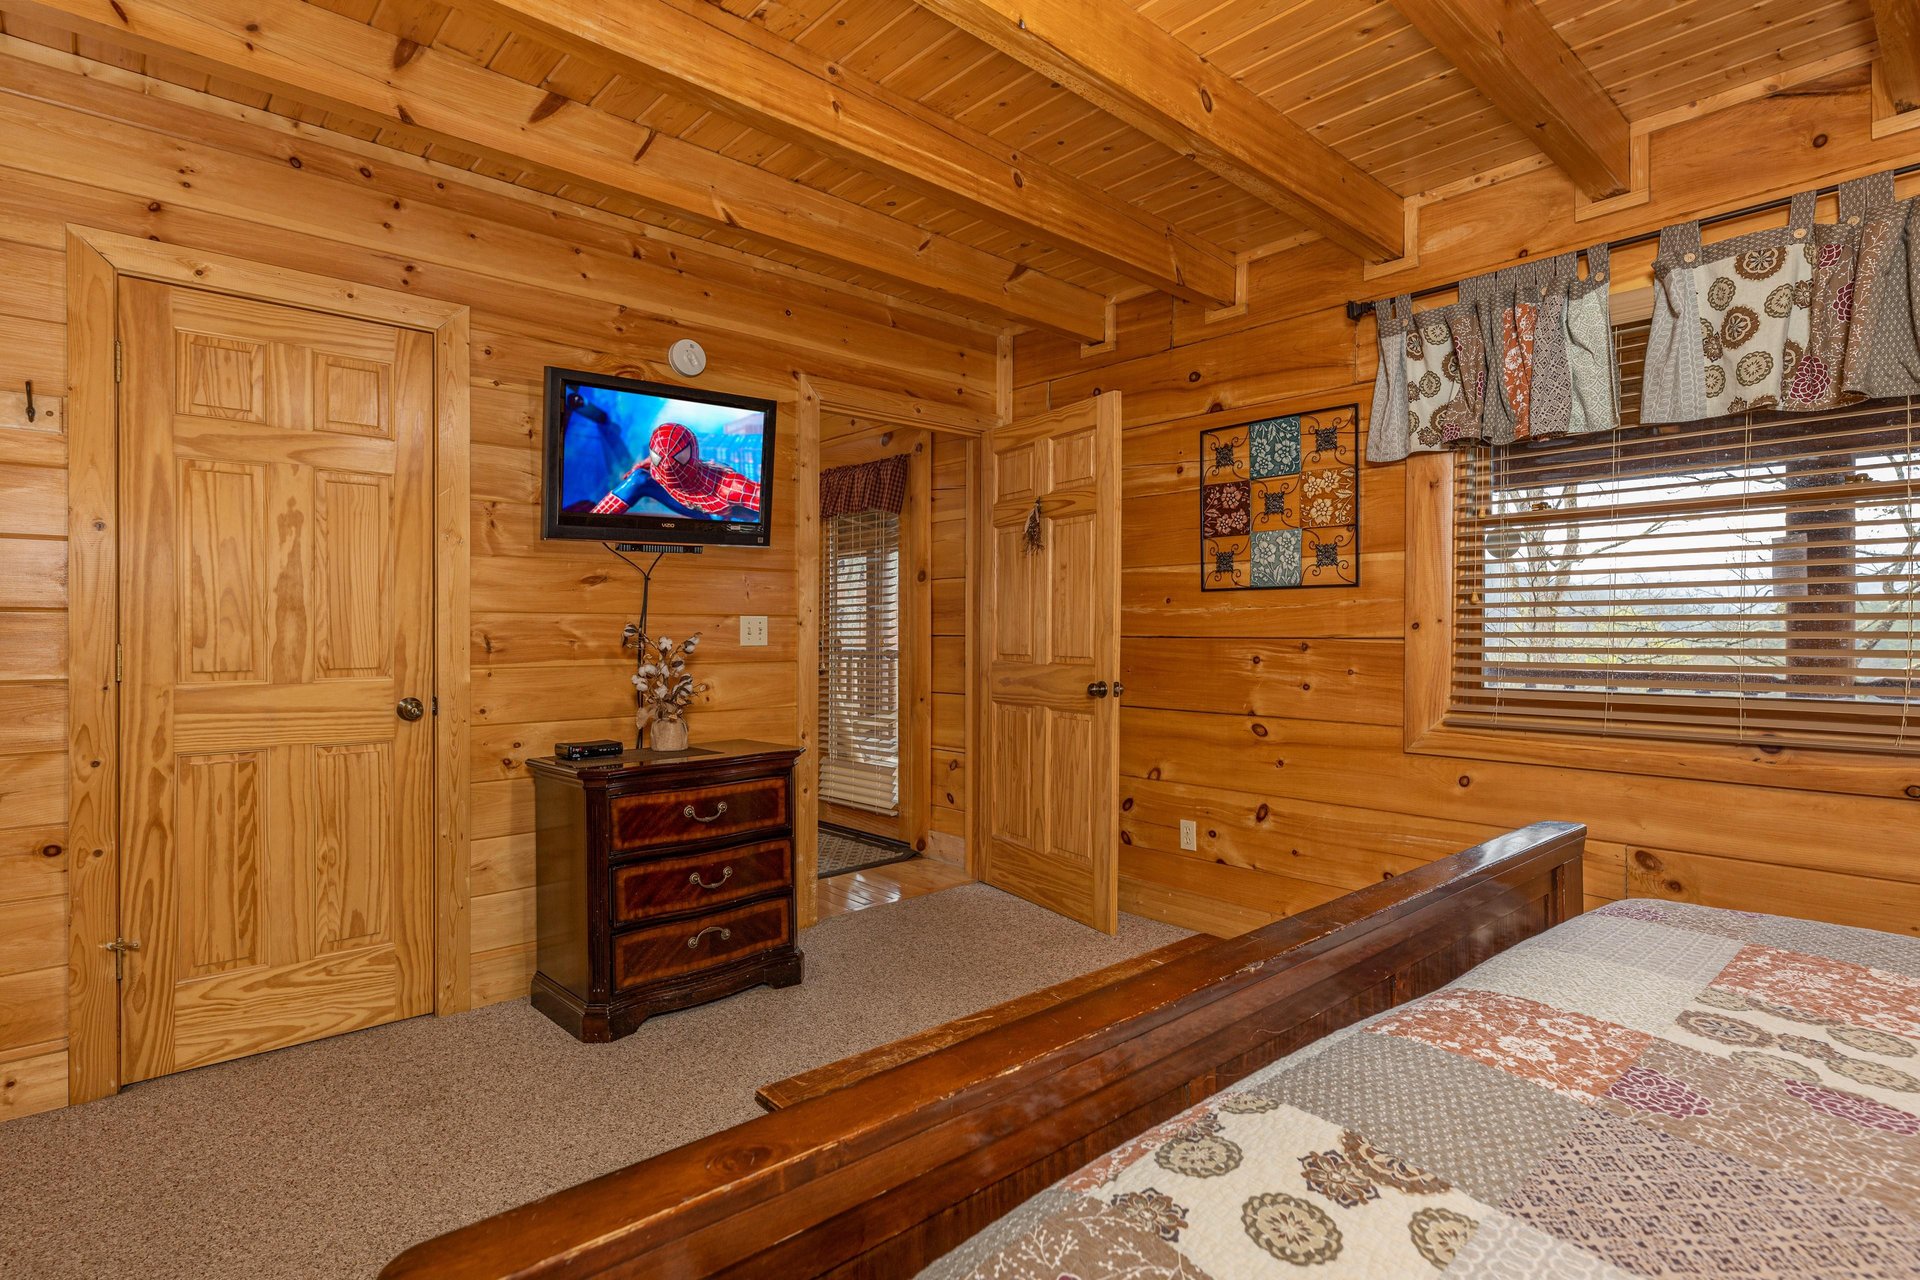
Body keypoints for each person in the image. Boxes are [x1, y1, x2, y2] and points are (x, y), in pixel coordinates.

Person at [594, 421, 762, 519]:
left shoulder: (729, 486)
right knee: (638, 478)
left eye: (677, 459)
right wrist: (639, 467)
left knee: (639, 478)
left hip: (709, 516)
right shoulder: (656, 464)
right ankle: (590, 522)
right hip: (690, 502)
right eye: (659, 459)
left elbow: (766, 501)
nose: (666, 467)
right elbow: (655, 459)